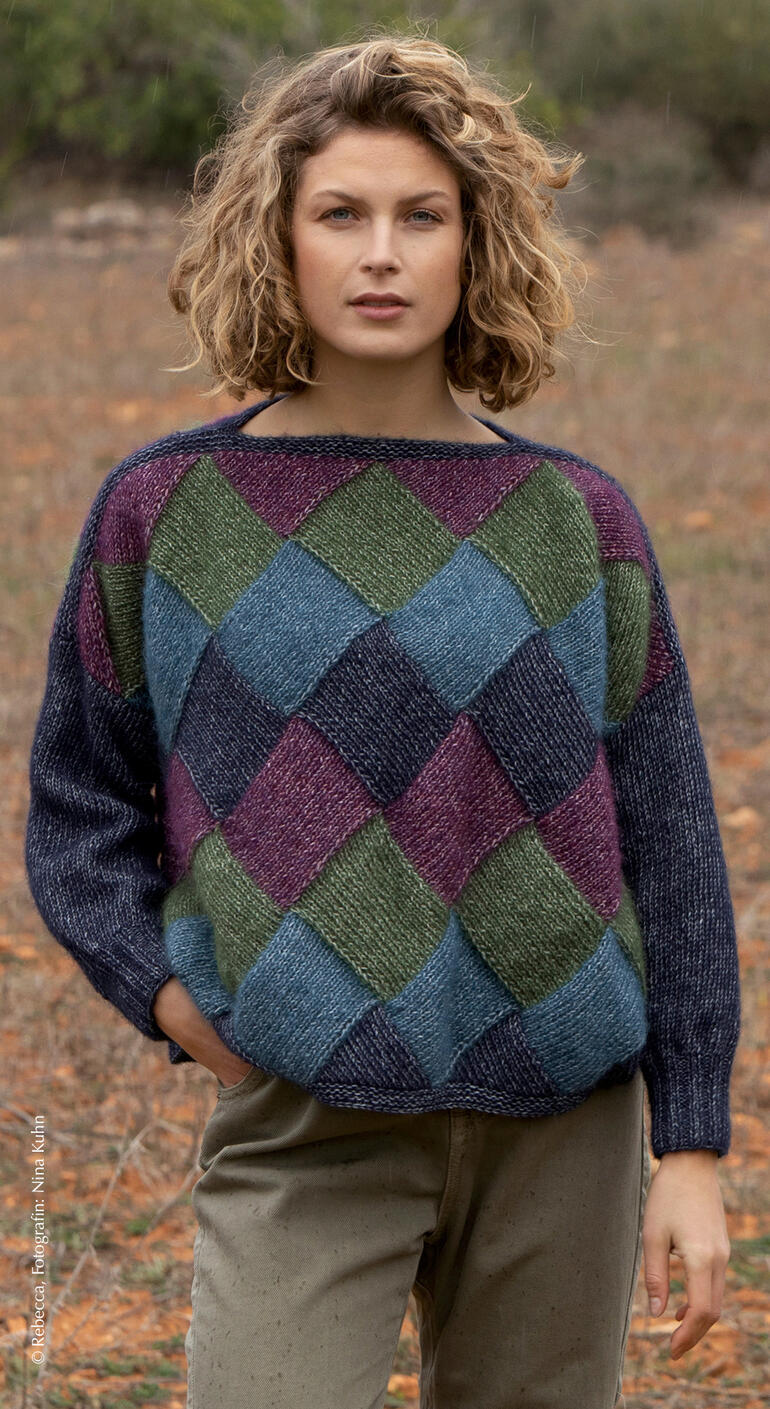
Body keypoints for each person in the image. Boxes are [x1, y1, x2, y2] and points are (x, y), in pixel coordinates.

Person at [24, 29, 740, 1409]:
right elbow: (76, 807)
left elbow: (668, 835)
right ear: (275, 238)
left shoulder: (571, 520)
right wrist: (179, 1002)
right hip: (302, 1115)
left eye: (422, 217)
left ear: (478, 245)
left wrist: (692, 1147)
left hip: (562, 1121)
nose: (380, 253)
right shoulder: (166, 513)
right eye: (338, 213)